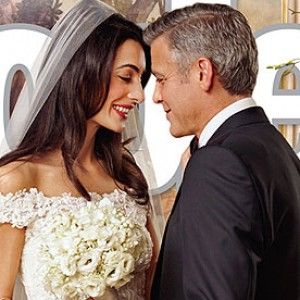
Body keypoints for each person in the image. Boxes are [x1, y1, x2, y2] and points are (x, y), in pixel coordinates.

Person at [0, 0, 157, 299]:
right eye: (126, 76)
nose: (138, 94)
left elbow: (155, 285)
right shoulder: (17, 181)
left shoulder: (126, 173)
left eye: (141, 80)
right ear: (84, 72)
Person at [144, 3, 300, 300]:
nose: (155, 96)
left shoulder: (219, 164)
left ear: (203, 72)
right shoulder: (276, 150)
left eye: (162, 79)